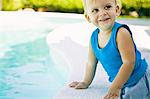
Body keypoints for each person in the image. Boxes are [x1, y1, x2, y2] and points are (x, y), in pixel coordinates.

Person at [69, 0, 150, 99]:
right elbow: (91, 63)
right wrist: (86, 82)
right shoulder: (94, 38)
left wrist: (116, 87)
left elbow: (129, 62)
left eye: (107, 7)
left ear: (117, 10)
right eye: (95, 10)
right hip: (121, 82)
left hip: (137, 79)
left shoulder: (121, 33)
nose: (102, 13)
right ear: (88, 17)